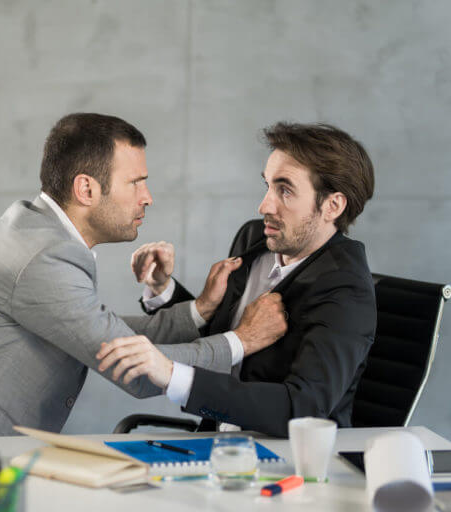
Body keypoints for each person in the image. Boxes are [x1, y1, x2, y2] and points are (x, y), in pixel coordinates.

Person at [0, 113, 285, 437]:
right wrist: (241, 341)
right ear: (86, 189)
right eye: (135, 182)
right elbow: (136, 371)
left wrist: (197, 311)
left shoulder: (39, 231)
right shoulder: (43, 256)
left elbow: (106, 334)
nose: (148, 197)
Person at [96, 122, 376, 437]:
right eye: (267, 186)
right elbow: (222, 338)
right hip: (217, 444)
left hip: (284, 461)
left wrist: (173, 375)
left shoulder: (346, 288)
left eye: (284, 190)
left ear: (333, 206)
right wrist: (164, 288)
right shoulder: (254, 238)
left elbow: (303, 408)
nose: (265, 205)